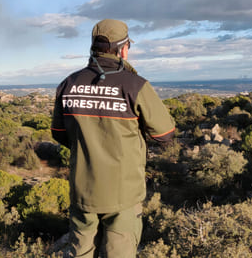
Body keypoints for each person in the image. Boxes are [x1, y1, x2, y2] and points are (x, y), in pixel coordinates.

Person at [51, 19, 175, 258]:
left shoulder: (69, 84)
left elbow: (59, 134)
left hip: (82, 191)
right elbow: (165, 134)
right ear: (123, 48)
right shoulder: (135, 85)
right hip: (123, 192)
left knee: (80, 252)